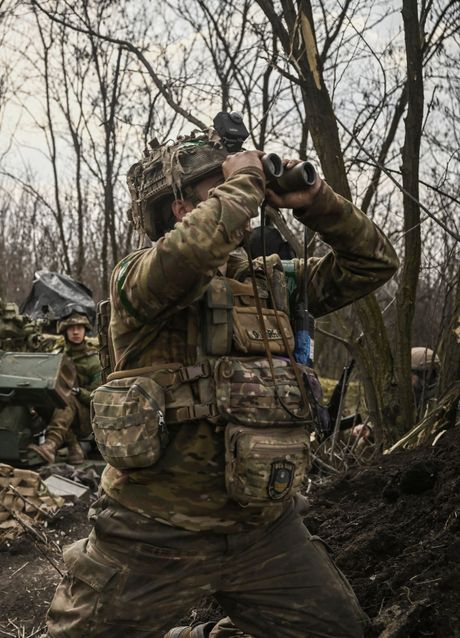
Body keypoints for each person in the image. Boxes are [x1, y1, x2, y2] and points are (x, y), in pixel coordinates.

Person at [45, 128, 398, 637]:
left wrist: (317, 201)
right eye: (224, 186)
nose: (247, 197)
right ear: (180, 208)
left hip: (263, 533)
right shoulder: (140, 278)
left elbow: (375, 263)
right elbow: (184, 260)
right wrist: (247, 179)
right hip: (152, 533)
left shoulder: (272, 283)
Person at [29, 311, 102, 464]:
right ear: (65, 331)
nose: (76, 332)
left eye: (79, 328)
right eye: (71, 328)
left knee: (66, 398)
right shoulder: (58, 356)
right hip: (64, 414)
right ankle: (73, 446)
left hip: (87, 418)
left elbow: (98, 398)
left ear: (85, 331)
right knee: (42, 400)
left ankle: (50, 446)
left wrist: (78, 392)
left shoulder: (94, 360)